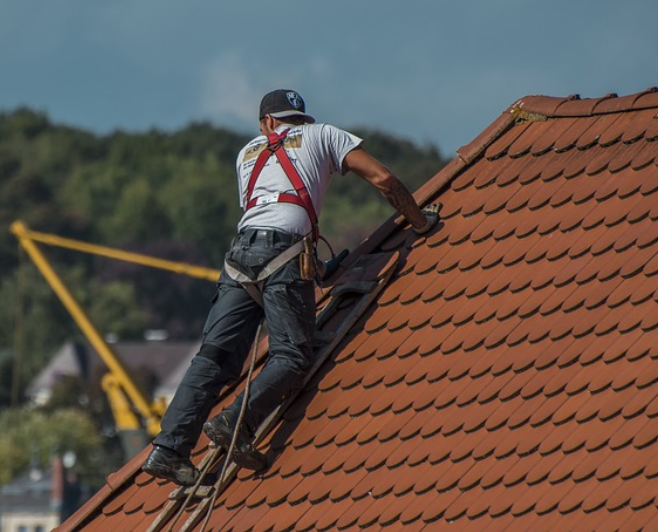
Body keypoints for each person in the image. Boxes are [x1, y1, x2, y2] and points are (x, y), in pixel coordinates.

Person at [142, 88, 439, 486]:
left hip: (239, 257)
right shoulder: (324, 134)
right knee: (292, 356)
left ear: (267, 123)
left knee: (213, 357)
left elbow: (267, 211)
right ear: (298, 119)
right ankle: (235, 422)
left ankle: (168, 449)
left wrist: (312, 269)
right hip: (284, 252)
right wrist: (420, 221)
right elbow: (383, 179)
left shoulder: (246, 153)